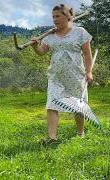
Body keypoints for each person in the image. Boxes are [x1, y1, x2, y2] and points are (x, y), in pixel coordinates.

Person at [31, 4, 93, 144]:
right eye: (53, 17)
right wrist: (35, 46)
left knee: (78, 106)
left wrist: (89, 72)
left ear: (68, 16)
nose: (54, 19)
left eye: (58, 16)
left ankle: (80, 132)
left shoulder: (80, 32)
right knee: (52, 104)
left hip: (76, 75)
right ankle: (52, 137)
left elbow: (87, 54)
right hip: (55, 76)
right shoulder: (50, 35)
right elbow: (42, 52)